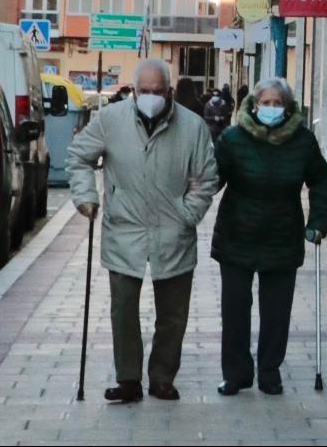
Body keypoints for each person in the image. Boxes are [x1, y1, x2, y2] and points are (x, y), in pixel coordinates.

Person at [67, 59, 218, 404]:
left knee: (173, 314)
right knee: (123, 311)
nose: (151, 97)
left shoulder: (192, 127)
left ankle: (162, 377)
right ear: (134, 91)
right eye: (144, 92)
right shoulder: (110, 120)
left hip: (173, 230)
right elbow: (79, 157)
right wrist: (86, 195)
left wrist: (188, 213)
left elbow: (206, 178)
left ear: (169, 92)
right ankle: (128, 380)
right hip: (125, 228)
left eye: (158, 92)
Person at [212, 77, 327, 397]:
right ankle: (236, 374)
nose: (271, 108)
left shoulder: (302, 142)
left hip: (282, 235)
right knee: (235, 310)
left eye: (277, 103)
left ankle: (269, 372)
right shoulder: (233, 139)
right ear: (254, 106)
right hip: (237, 234)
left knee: (276, 312)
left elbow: (320, 179)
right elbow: (212, 178)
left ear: (288, 107)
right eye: (265, 102)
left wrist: (318, 220)